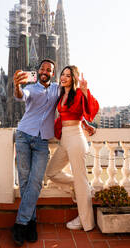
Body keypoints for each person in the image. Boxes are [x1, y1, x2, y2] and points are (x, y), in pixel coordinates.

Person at [12, 59, 60, 246]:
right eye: (42, 68)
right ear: (38, 71)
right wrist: (17, 85)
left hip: (42, 140)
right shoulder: (32, 88)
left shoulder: (57, 89)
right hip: (24, 135)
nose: (45, 71)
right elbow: (20, 95)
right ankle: (31, 222)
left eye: (49, 70)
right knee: (24, 180)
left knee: (36, 181)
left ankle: (20, 223)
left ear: (52, 73)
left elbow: (71, 95)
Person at [45, 65, 99, 231]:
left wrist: (85, 90)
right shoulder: (62, 94)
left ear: (73, 78)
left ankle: (86, 222)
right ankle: (81, 186)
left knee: (81, 180)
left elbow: (89, 109)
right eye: (63, 74)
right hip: (65, 140)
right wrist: (84, 123)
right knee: (51, 172)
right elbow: (73, 115)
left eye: (68, 75)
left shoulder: (78, 94)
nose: (64, 77)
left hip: (76, 138)